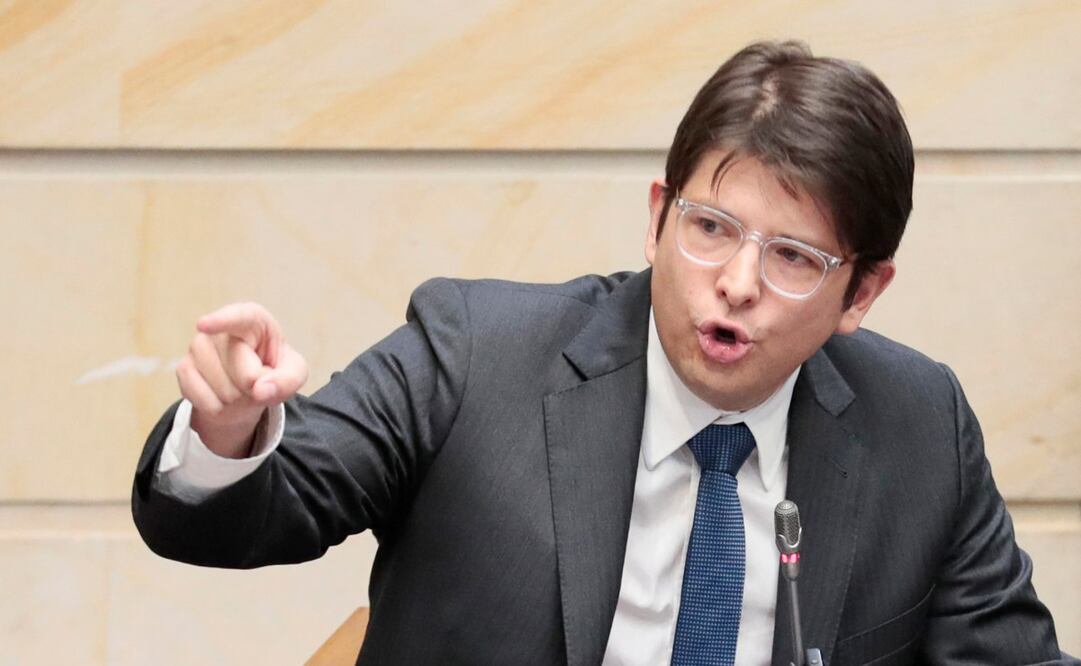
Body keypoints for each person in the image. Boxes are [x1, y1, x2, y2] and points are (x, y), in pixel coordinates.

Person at [132, 41, 1073, 665]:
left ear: (861, 293)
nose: (736, 282)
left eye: (792, 257)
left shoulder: (917, 427)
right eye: (709, 228)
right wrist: (229, 429)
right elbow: (249, 517)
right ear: (659, 217)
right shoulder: (477, 357)